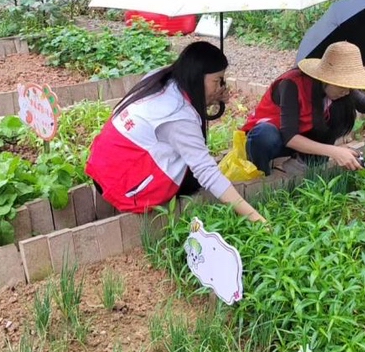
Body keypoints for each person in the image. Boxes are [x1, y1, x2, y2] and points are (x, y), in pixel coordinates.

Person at [86, 41, 266, 223]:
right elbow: (206, 171)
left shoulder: (160, 78)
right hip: (123, 185)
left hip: (102, 167)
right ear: (197, 76)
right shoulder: (177, 115)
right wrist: (256, 218)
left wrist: (210, 98)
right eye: (217, 80)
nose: (220, 86)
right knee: (194, 180)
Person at [242, 41, 365, 175]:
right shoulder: (292, 84)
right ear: (326, 78)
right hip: (274, 139)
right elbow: (289, 137)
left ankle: (304, 164)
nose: (346, 91)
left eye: (349, 86)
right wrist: (335, 151)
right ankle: (263, 174)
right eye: (341, 86)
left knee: (340, 111)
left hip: (301, 139)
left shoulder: (342, 91)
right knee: (264, 135)